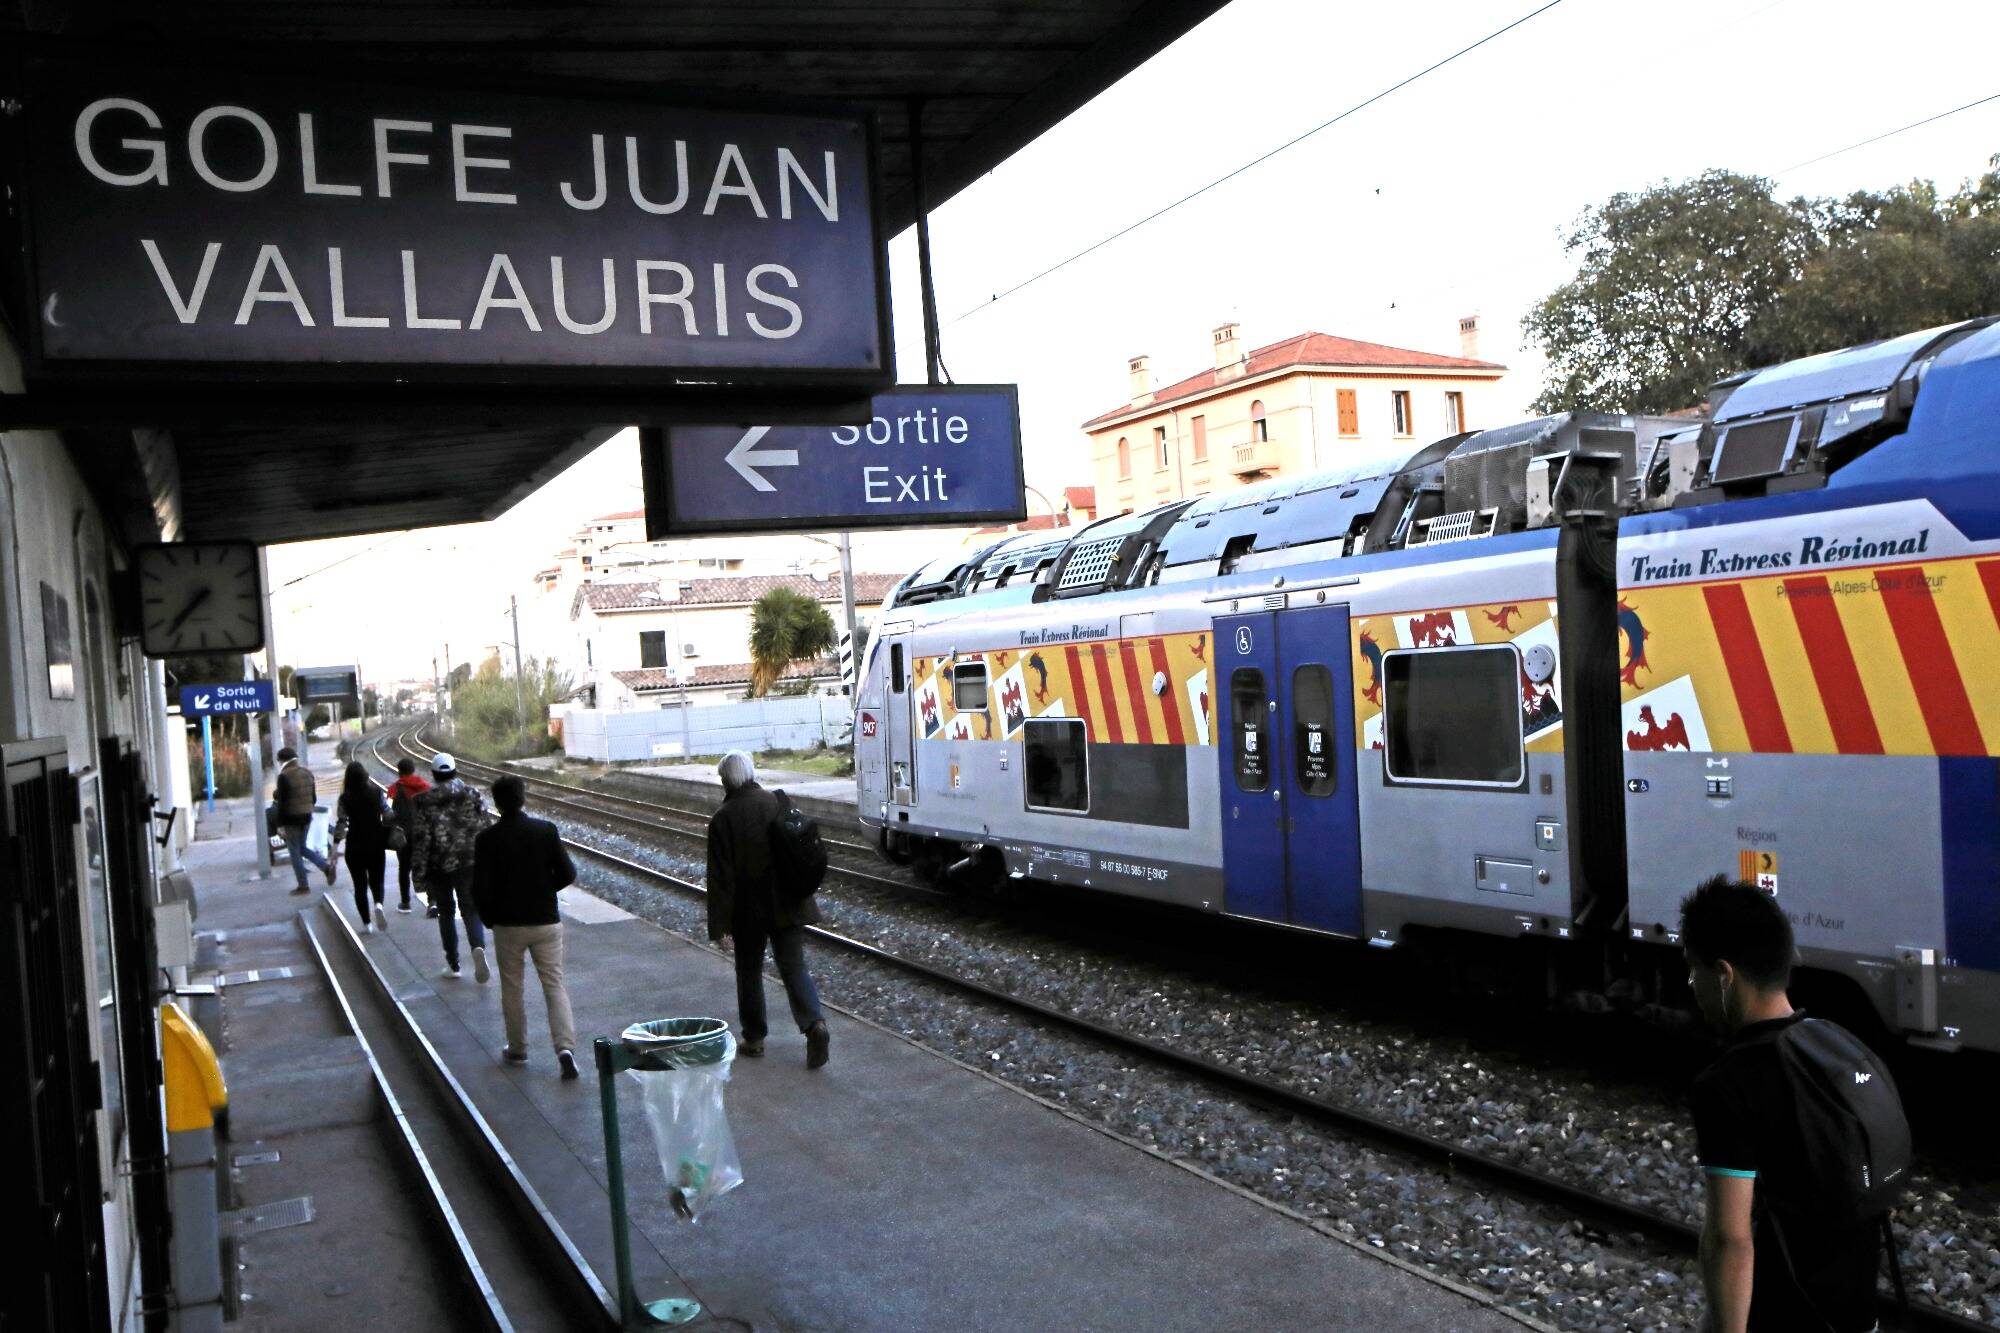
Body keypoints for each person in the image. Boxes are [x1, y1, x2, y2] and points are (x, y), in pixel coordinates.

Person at [1682, 876, 1899, 1333]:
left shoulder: (1726, 1085)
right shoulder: (1838, 1048)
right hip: (1857, 1315)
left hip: (1786, 1315)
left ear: (1724, 975)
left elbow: (1730, 1241)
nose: (1689, 982)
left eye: (1692, 968)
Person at [705, 751, 829, 1067]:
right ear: (750, 773)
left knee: (749, 972)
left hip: (749, 913)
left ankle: (755, 1038)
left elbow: (721, 880)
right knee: (794, 967)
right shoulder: (777, 802)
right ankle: (814, 1024)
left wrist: (719, 927)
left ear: (726, 781)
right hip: (788, 903)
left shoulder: (723, 818)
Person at [472, 776, 581, 1079]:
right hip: (545, 920)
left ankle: (518, 1047)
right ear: (523, 798)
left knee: (512, 987)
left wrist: (488, 917)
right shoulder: (545, 831)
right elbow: (568, 873)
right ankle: (565, 1048)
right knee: (554, 984)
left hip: (508, 924)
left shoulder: (487, 840)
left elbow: (478, 887)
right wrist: (546, 889)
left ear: (497, 802)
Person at [410, 752, 490, 981]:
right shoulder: (472, 794)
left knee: (446, 912)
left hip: (439, 866)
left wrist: (418, 875)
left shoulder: (424, 802)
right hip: (470, 861)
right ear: (455, 771)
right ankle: (478, 946)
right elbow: (486, 826)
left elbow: (422, 840)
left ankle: (454, 964)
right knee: (470, 908)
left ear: (434, 775)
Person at [332, 762, 392, 932]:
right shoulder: (376, 793)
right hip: (375, 843)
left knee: (359, 885)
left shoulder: (344, 798)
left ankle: (367, 924)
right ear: (365, 775)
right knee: (377, 879)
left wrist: (335, 848)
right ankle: (378, 904)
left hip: (354, 846)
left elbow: (342, 823)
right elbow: (388, 813)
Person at [272, 746, 335, 895]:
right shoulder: (307, 773)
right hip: (306, 816)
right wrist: (306, 809)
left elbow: (282, 802)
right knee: (302, 848)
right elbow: (313, 798)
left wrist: (280, 824)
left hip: (291, 818)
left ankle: (303, 885)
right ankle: (325, 867)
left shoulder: (284, 776)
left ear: (281, 760)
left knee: (294, 852)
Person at [385, 758, 433, 914]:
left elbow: (388, 814)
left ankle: (405, 903)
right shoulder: (426, 787)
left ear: (399, 772)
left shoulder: (393, 789)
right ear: (414, 770)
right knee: (427, 866)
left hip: (403, 835)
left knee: (404, 868)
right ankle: (432, 902)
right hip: (423, 834)